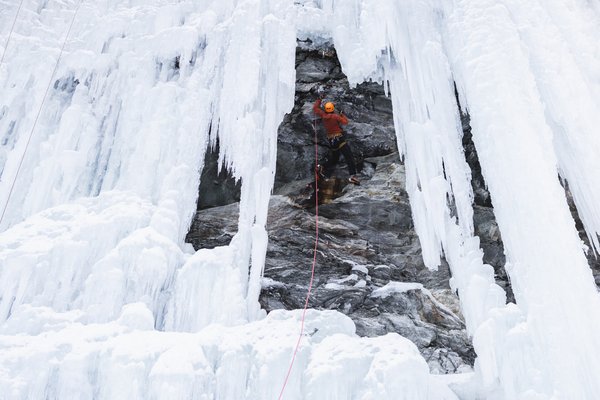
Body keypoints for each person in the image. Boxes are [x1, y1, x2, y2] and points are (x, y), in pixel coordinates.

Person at [313, 98, 360, 185]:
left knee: (335, 159)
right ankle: (353, 176)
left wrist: (319, 99)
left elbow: (315, 108)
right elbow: (345, 122)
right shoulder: (335, 116)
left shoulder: (323, 115)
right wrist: (342, 115)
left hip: (331, 140)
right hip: (339, 139)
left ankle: (322, 166)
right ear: (332, 109)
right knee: (349, 156)